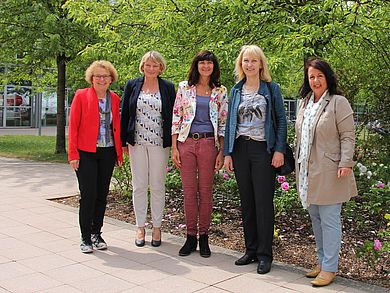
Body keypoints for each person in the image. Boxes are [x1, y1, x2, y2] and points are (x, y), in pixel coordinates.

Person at [224, 45, 287, 274]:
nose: (249, 65)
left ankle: (264, 254)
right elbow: (231, 123)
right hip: (240, 149)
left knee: (263, 203)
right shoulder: (236, 90)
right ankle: (250, 250)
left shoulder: (271, 89)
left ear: (261, 64)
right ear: (241, 64)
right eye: (245, 61)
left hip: (263, 150)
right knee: (247, 201)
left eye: (253, 61)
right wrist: (228, 153)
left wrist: (279, 150)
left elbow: (281, 120)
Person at [295, 57, 357, 287]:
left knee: (329, 219)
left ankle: (330, 268)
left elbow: (348, 136)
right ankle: (322, 261)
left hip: (332, 170)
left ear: (327, 77)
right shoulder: (304, 102)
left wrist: (345, 162)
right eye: (311, 76)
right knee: (316, 218)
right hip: (308, 172)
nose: (315, 80)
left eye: (319, 76)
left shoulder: (338, 102)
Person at [171, 50, 228, 257]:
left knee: (205, 192)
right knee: (188, 192)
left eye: (209, 63)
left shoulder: (220, 91)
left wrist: (222, 151)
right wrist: (175, 147)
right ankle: (190, 236)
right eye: (202, 63)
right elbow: (176, 116)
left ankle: (204, 237)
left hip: (208, 144)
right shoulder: (184, 88)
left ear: (214, 67)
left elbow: (223, 122)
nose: (206, 66)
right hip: (186, 143)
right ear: (196, 65)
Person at [120, 51, 176, 247]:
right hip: (136, 143)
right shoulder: (132, 85)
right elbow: (125, 113)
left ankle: (158, 227)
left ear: (161, 68)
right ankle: (140, 226)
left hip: (159, 144)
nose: (151, 68)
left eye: (155, 65)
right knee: (139, 185)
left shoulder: (168, 87)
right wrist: (122, 142)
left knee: (158, 185)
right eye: (148, 65)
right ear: (142, 66)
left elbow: (174, 116)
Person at [68, 60, 123, 253]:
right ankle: (85, 238)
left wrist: (119, 152)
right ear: (91, 78)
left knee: (101, 195)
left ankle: (96, 233)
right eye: (97, 76)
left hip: (107, 151)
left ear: (111, 79)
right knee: (88, 195)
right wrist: (73, 154)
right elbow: (73, 126)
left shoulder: (114, 98)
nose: (101, 79)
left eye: (105, 76)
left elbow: (116, 126)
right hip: (86, 152)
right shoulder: (81, 96)